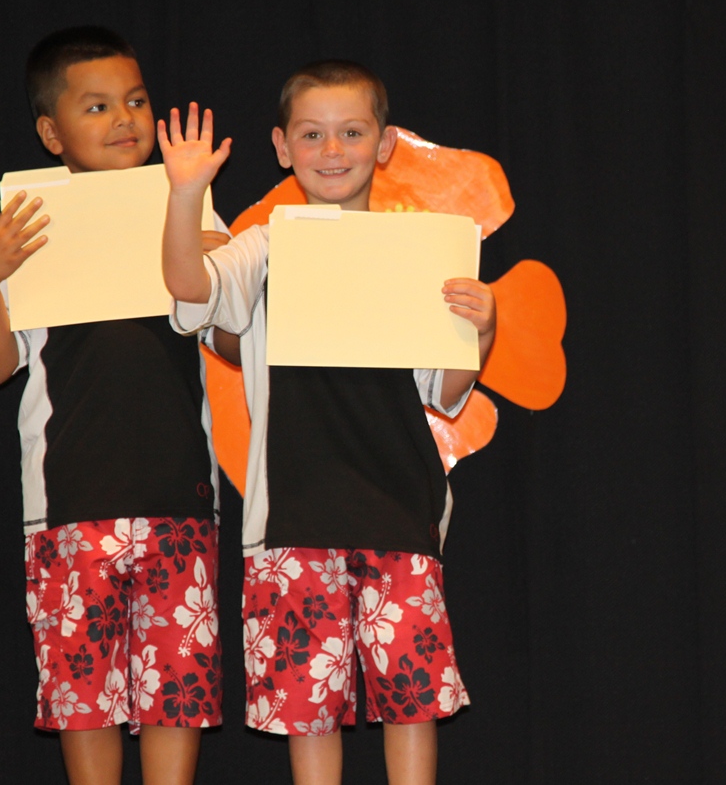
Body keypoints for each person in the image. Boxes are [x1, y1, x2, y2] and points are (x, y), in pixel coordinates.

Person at [158, 61, 495, 785]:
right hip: (291, 521)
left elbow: (444, 391)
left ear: (385, 143)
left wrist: (482, 330)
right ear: (282, 147)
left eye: (351, 133)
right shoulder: (264, 245)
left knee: (412, 704)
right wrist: (186, 194)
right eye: (312, 135)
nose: (332, 150)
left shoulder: (418, 250)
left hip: (400, 512)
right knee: (307, 710)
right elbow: (190, 287)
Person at [0, 28, 227, 785]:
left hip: (178, 498)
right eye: (98, 105)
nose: (124, 119)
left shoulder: (187, 204)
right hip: (69, 506)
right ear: (52, 133)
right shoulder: (30, 220)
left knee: (177, 694)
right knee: (84, 700)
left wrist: (214, 263)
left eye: (136, 101)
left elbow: (234, 340)